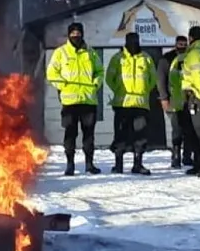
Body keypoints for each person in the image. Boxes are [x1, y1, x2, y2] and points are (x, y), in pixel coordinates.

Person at [46, 21, 103, 176]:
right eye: (73, 33)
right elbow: (51, 73)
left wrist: (95, 84)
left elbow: (99, 71)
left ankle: (90, 164)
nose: (76, 35)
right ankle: (70, 165)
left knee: (89, 135)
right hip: (69, 102)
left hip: (88, 100)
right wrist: (62, 85)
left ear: (83, 34)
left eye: (78, 33)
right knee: (70, 134)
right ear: (69, 34)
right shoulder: (60, 52)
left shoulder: (90, 53)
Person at [106, 31, 156, 175]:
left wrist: (144, 90)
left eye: (135, 41)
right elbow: (110, 78)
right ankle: (118, 164)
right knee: (120, 135)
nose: (133, 44)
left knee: (140, 136)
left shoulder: (146, 58)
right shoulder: (118, 58)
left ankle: (138, 164)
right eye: (130, 41)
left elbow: (152, 79)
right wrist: (119, 90)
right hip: (122, 104)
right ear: (125, 42)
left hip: (141, 104)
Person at [173, 26, 200, 177]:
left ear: (191, 38)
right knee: (197, 133)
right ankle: (199, 164)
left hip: (197, 97)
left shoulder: (194, 54)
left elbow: (198, 78)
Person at [157, 33, 191, 168]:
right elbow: (160, 80)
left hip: (189, 99)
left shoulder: (191, 57)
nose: (182, 47)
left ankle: (187, 156)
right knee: (177, 129)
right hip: (173, 100)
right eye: (180, 44)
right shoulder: (167, 59)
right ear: (175, 44)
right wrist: (164, 98)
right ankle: (176, 156)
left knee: (189, 129)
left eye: (184, 44)